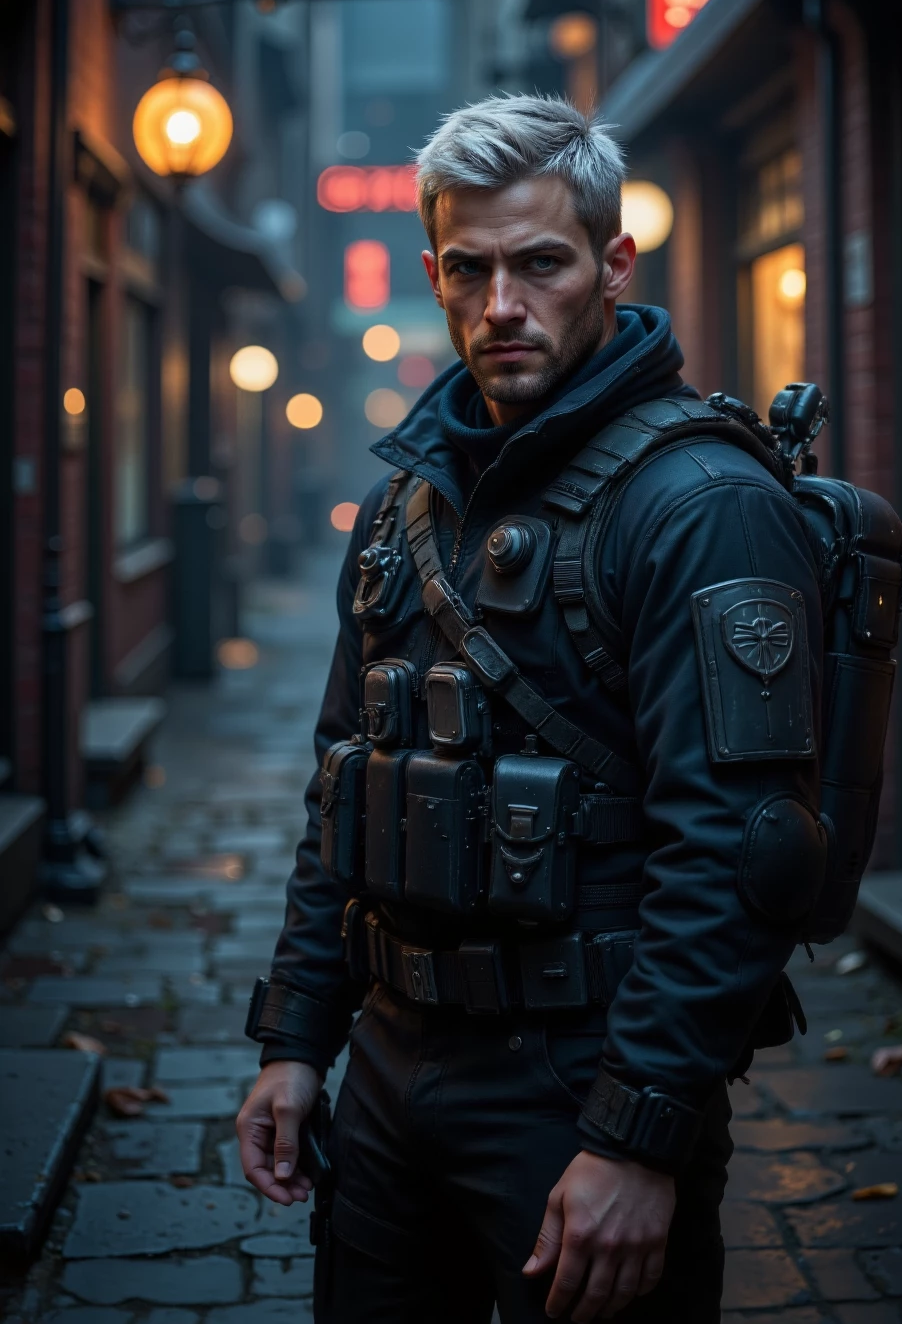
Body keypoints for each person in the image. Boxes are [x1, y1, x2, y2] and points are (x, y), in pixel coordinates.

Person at [236, 95, 824, 1324]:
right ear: (434, 275)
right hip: (391, 1065)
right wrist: (297, 1038)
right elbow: (346, 776)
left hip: (581, 1074)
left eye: (540, 264)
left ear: (611, 262)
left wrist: (640, 1140)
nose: (501, 305)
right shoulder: (404, 505)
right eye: (470, 269)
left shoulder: (703, 504)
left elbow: (738, 860)